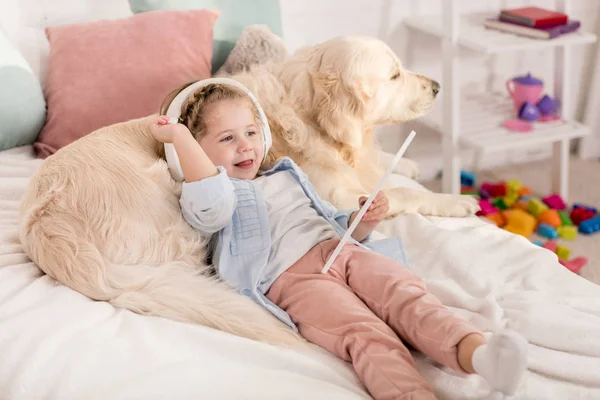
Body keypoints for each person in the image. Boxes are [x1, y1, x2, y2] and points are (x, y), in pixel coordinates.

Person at [149, 80, 528, 400]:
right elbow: (212, 207)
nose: (245, 146)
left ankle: (479, 356)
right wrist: (180, 137)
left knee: (406, 294)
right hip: (294, 282)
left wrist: (360, 223)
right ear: (194, 153)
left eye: (250, 132)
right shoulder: (212, 193)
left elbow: (330, 222)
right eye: (227, 138)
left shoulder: (284, 175)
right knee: (364, 332)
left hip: (340, 250)